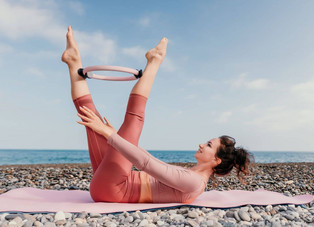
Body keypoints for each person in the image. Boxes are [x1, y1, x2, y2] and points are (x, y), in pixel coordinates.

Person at [62, 26, 253, 204]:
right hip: (113, 183)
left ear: (216, 160)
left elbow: (144, 163)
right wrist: (113, 136)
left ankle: (155, 60)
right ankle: (73, 62)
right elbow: (147, 158)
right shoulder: (191, 176)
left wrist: (109, 135)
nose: (202, 144)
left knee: (135, 119)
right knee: (91, 120)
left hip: (115, 189)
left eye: (209, 145)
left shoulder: (194, 182)